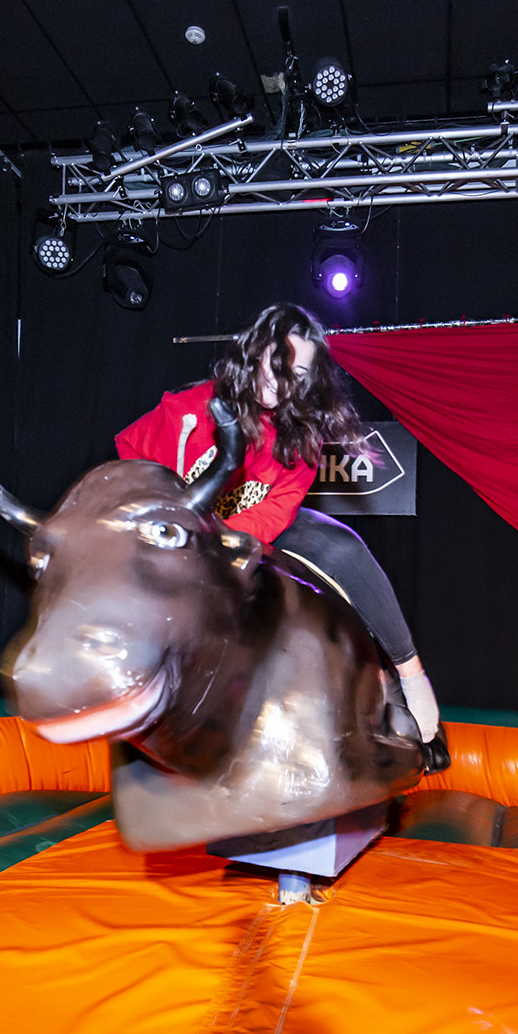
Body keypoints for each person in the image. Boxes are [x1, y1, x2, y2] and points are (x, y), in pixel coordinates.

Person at [114, 303, 447, 769]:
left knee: (342, 549)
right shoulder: (186, 410)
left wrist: (218, 537)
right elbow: (128, 453)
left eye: (299, 372)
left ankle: (408, 677)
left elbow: (278, 510)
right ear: (255, 353)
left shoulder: (299, 436)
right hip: (182, 533)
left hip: (255, 528)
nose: (282, 379)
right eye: (277, 361)